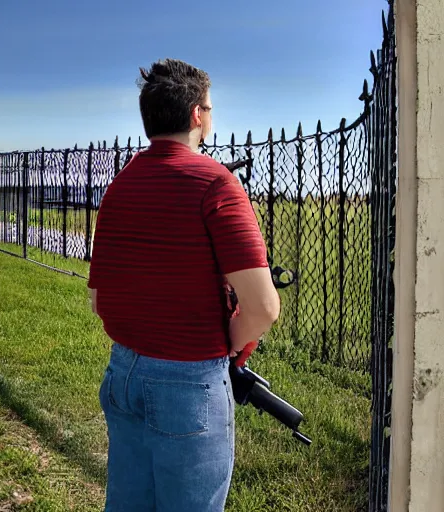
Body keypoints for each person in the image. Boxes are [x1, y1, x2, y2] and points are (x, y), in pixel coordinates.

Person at [88, 58, 280, 512]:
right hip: (189, 382)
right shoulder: (215, 184)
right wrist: (228, 345)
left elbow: (98, 298)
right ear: (197, 115)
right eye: (209, 108)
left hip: (123, 373)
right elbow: (263, 306)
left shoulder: (120, 186)